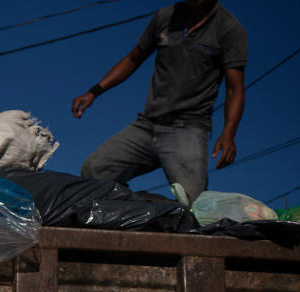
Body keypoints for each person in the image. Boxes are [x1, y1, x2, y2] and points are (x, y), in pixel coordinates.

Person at [71, 0, 247, 204]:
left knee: (194, 204)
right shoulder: (166, 17)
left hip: (187, 129)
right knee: (94, 171)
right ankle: (144, 207)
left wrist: (229, 133)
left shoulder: (229, 29)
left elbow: (235, 88)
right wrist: (94, 92)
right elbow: (134, 58)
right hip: (147, 124)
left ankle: (164, 212)